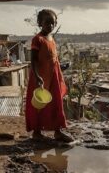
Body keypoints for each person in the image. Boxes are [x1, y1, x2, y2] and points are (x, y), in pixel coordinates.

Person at [25, 9, 73, 142]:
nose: (50, 26)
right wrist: (37, 77)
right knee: (38, 106)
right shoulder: (37, 39)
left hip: (53, 77)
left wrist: (60, 67)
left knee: (56, 102)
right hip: (40, 78)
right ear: (40, 23)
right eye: (47, 23)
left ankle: (58, 131)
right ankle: (36, 131)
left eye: (53, 23)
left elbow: (52, 59)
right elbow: (33, 60)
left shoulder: (51, 39)